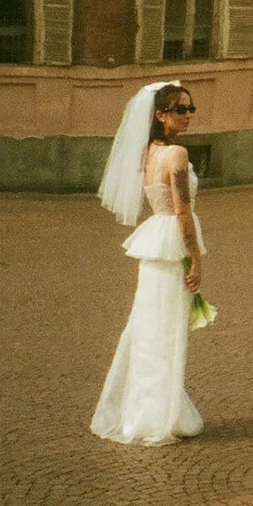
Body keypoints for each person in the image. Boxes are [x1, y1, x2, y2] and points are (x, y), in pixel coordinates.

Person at [91, 80, 208, 445]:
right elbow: (183, 211)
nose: (188, 116)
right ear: (160, 115)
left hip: (154, 243)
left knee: (146, 328)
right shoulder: (176, 155)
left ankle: (145, 410)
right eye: (179, 110)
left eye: (190, 109)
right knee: (166, 331)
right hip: (171, 242)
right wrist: (196, 261)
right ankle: (158, 416)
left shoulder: (148, 153)